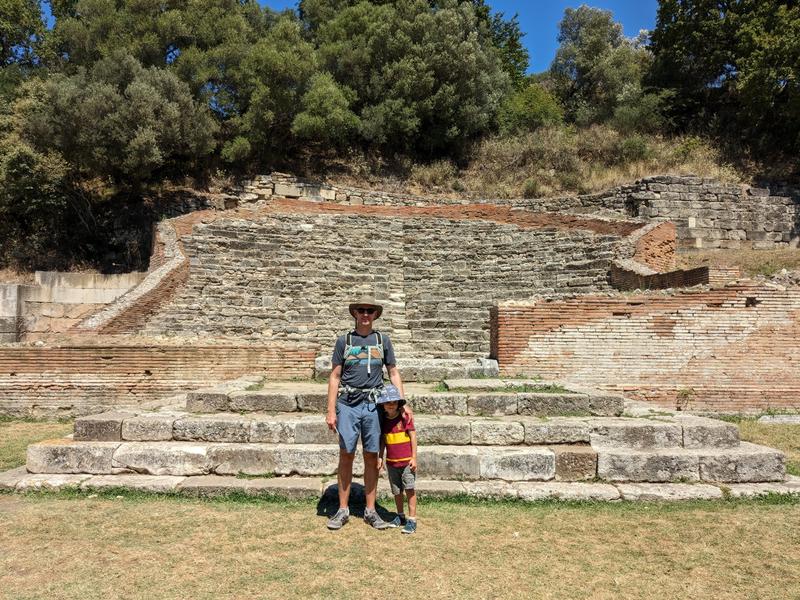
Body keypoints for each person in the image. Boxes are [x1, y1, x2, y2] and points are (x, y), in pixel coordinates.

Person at [325, 296, 407, 530]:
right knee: (346, 454)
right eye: (361, 310)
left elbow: (393, 372)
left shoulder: (383, 340)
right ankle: (343, 509)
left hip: (373, 405)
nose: (365, 314)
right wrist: (330, 410)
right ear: (355, 313)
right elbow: (335, 376)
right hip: (348, 404)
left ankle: (371, 510)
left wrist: (402, 403)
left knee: (372, 456)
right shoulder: (344, 341)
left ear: (375, 315)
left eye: (369, 311)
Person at [377, 384, 418, 534]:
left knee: (409, 489)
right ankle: (400, 516)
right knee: (397, 491)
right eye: (388, 402)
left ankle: (412, 519)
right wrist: (380, 457)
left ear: (398, 403)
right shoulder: (383, 421)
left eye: (394, 402)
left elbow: (413, 436)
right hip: (392, 463)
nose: (391, 405)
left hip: (407, 462)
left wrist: (414, 457)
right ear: (383, 404)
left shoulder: (405, 418)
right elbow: (383, 441)